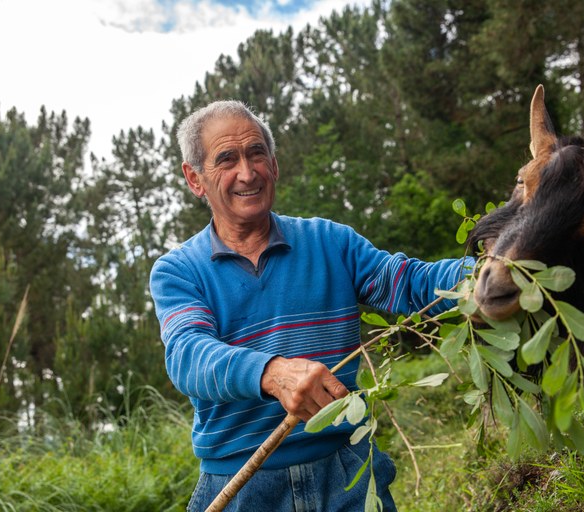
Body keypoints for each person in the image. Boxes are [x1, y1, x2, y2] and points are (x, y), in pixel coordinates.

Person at [149, 100, 473, 511]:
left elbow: (408, 283)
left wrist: (487, 272)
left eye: (257, 154)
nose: (247, 173)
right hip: (242, 486)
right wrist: (270, 373)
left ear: (275, 165)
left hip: (346, 474)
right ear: (195, 179)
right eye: (227, 159)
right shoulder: (179, 271)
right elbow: (187, 355)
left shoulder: (330, 242)